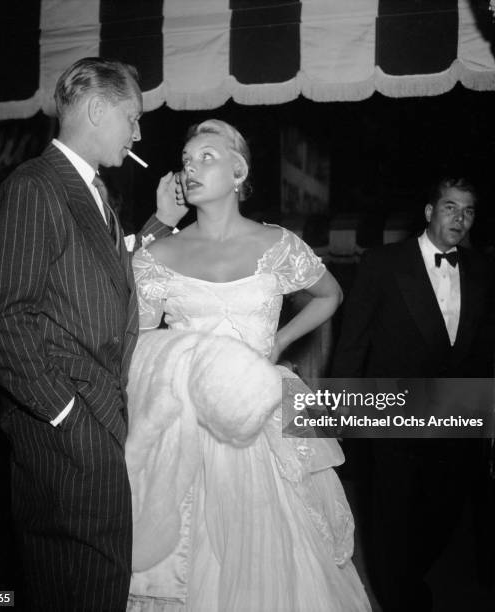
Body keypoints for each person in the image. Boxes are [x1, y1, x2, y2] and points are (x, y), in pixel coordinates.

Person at [126, 119, 372, 611]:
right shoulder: (156, 256)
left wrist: (279, 342)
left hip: (265, 420)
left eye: (207, 157)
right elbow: (138, 341)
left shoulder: (277, 244)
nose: (191, 166)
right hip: (187, 424)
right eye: (187, 159)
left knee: (284, 552)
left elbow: (330, 294)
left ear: (239, 172)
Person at [0, 57, 187, 612]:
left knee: (80, 583)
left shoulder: (87, 189)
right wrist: (64, 413)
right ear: (97, 109)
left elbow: (103, 277)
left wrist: (158, 225)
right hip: (69, 426)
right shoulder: (34, 188)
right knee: (88, 582)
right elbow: (0, 316)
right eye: (132, 117)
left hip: (93, 420)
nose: (139, 132)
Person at [332, 176, 493, 612]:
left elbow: (479, 353)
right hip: (392, 414)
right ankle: (399, 595)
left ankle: (405, 580)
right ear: (429, 211)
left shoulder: (480, 270)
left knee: (443, 515)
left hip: (454, 419)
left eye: (469, 211)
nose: (459, 219)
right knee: (389, 518)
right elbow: (353, 342)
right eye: (450, 207)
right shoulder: (383, 263)